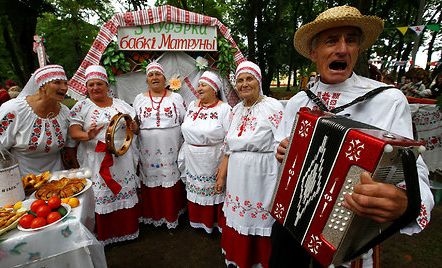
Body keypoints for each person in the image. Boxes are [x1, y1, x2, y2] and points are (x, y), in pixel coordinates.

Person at [270, 6, 434, 268]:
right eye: (331, 41)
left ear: (357, 50)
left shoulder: (388, 100)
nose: (342, 49)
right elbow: (279, 150)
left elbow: (415, 174)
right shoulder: (298, 102)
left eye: (351, 40)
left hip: (345, 239)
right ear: (313, 53)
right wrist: (281, 152)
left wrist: (406, 202)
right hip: (290, 224)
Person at [214, 61, 286, 268]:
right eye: (240, 80)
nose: (244, 84)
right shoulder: (235, 110)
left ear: (259, 81)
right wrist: (221, 177)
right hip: (237, 175)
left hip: (263, 174)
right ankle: (240, 257)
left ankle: (260, 260)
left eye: (249, 79)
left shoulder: (272, 106)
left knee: (259, 217)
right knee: (238, 213)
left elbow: (282, 145)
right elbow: (228, 148)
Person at [69, 64, 141, 245]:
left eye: (99, 84)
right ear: (86, 87)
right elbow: (74, 132)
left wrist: (134, 127)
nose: (95, 88)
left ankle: (128, 229)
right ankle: (105, 233)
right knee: (100, 192)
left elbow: (134, 127)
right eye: (91, 84)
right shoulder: (82, 106)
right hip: (95, 156)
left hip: (122, 156)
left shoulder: (120, 104)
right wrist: (88, 135)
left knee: (124, 189)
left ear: (107, 86)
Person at [0, 65, 75, 176]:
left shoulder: (64, 112)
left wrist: (78, 167)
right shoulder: (15, 110)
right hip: (23, 178)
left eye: (65, 83)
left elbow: (70, 143)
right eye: (57, 83)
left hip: (58, 176)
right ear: (43, 85)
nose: (64, 88)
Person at [133, 61, 187, 228]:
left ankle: (173, 214)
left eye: (158, 74)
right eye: (151, 75)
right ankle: (155, 215)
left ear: (165, 79)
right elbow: (135, 126)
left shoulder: (176, 98)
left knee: (170, 176)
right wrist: (134, 127)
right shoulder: (139, 99)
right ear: (147, 80)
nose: (154, 77)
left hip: (170, 148)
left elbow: (185, 121)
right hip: (148, 149)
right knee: (151, 177)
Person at [180, 71, 231, 233]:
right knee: (195, 187)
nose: (199, 88)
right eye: (199, 85)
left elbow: (229, 137)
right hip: (192, 156)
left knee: (212, 189)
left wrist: (224, 162)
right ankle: (198, 221)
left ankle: (213, 223)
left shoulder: (224, 109)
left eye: (203, 85)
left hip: (212, 157)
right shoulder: (191, 106)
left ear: (214, 89)